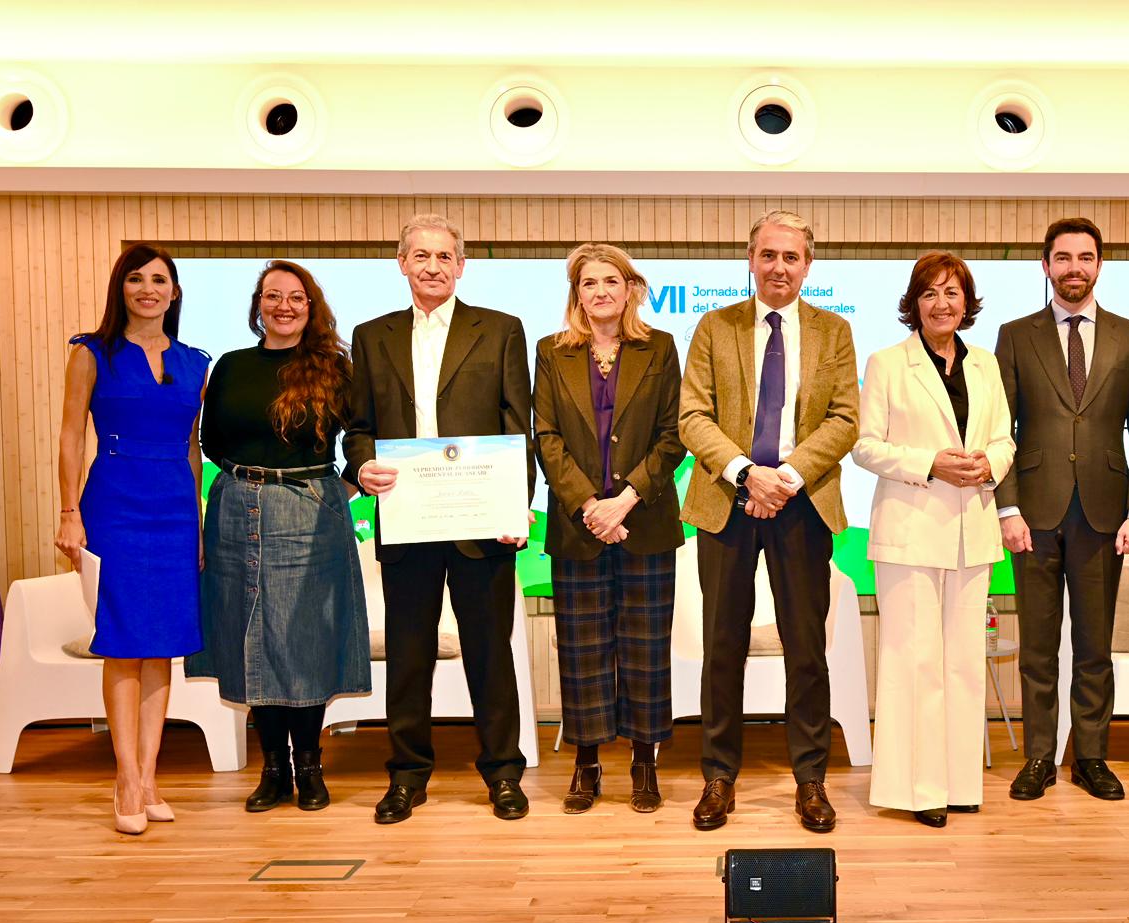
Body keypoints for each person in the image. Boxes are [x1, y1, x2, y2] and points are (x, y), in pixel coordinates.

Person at [344, 214, 536, 824]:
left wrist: (517, 506)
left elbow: (517, 428)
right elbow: (359, 427)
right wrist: (363, 465)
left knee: (489, 653)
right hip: (407, 519)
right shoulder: (372, 336)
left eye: (444, 257)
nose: (432, 266)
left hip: (483, 522)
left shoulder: (502, 331)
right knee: (407, 655)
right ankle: (405, 776)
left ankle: (504, 773)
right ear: (401, 263)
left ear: (461, 265)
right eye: (420, 256)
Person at [679, 209, 859, 832]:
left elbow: (844, 419)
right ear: (750, 260)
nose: (779, 266)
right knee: (721, 646)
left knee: (806, 648)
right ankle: (718, 777)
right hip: (725, 503)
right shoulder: (713, 325)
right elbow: (693, 416)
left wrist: (783, 479)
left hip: (801, 506)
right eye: (768, 255)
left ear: (808, 265)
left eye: (791, 257)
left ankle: (811, 778)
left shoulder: (834, 332)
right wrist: (743, 474)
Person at [187, 260, 371, 813]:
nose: (284, 306)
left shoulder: (335, 368)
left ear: (310, 307)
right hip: (235, 508)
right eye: (273, 296)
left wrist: (335, 487)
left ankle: (310, 768)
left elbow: (365, 436)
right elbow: (212, 440)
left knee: (303, 638)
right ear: (257, 304)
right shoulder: (230, 366)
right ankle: (273, 769)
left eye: (296, 297)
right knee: (251, 639)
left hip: (309, 510)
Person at [994, 217, 1129, 802]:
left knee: (1094, 645)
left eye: (1085, 257)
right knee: (1038, 648)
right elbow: (1001, 431)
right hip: (1033, 515)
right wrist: (1005, 507)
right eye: (1062, 258)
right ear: (1046, 266)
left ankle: (1090, 756)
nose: (1074, 268)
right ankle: (1040, 756)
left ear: (1099, 265)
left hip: (1103, 515)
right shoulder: (1015, 335)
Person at [853, 252, 1014, 827]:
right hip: (911, 530)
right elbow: (866, 445)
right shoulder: (887, 363)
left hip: (972, 529)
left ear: (967, 303)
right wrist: (931, 463)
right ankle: (918, 790)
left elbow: (1004, 438)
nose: (942, 303)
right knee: (914, 662)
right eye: (930, 294)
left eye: (953, 293)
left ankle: (960, 782)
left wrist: (987, 463)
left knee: (964, 664)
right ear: (913, 303)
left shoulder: (987, 365)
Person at [54, 243, 210, 835]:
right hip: (113, 504)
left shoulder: (196, 361)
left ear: (174, 292)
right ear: (121, 288)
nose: (149, 289)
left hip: (173, 506)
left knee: (161, 643)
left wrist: (195, 523)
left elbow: (194, 449)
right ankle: (124, 779)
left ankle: (149, 777)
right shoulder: (90, 353)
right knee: (122, 641)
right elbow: (71, 437)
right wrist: (70, 512)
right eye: (137, 279)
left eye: (160, 280)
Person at [533, 244, 686, 814]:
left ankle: (645, 761)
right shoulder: (552, 353)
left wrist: (621, 502)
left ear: (630, 289)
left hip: (643, 522)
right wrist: (589, 507)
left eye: (611, 281)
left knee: (646, 650)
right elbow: (545, 437)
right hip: (578, 530)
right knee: (582, 650)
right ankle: (587, 763)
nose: (600, 292)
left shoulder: (661, 349)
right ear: (577, 294)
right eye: (588, 283)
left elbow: (673, 436)